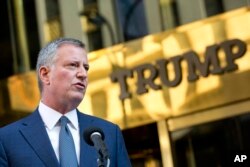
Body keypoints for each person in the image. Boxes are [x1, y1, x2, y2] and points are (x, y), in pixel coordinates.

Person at [0, 37, 132, 167]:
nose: (83, 74)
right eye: (73, 65)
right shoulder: (6, 140)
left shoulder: (109, 134)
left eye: (86, 68)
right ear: (45, 74)